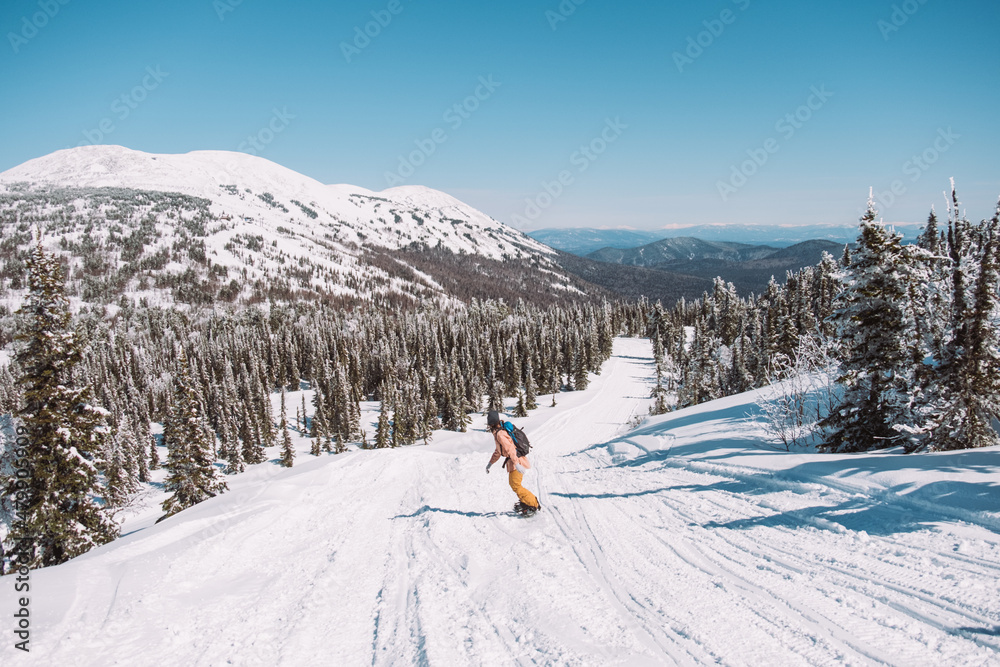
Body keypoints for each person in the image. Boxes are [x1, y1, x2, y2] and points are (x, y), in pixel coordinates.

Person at [485, 410, 540, 514]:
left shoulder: (500, 434)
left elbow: (510, 449)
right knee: (514, 484)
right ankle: (526, 501)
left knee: (516, 485)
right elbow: (498, 451)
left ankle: (533, 504)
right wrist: (490, 463)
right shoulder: (498, 433)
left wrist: (517, 464)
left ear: (491, 423)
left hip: (516, 461)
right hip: (514, 462)